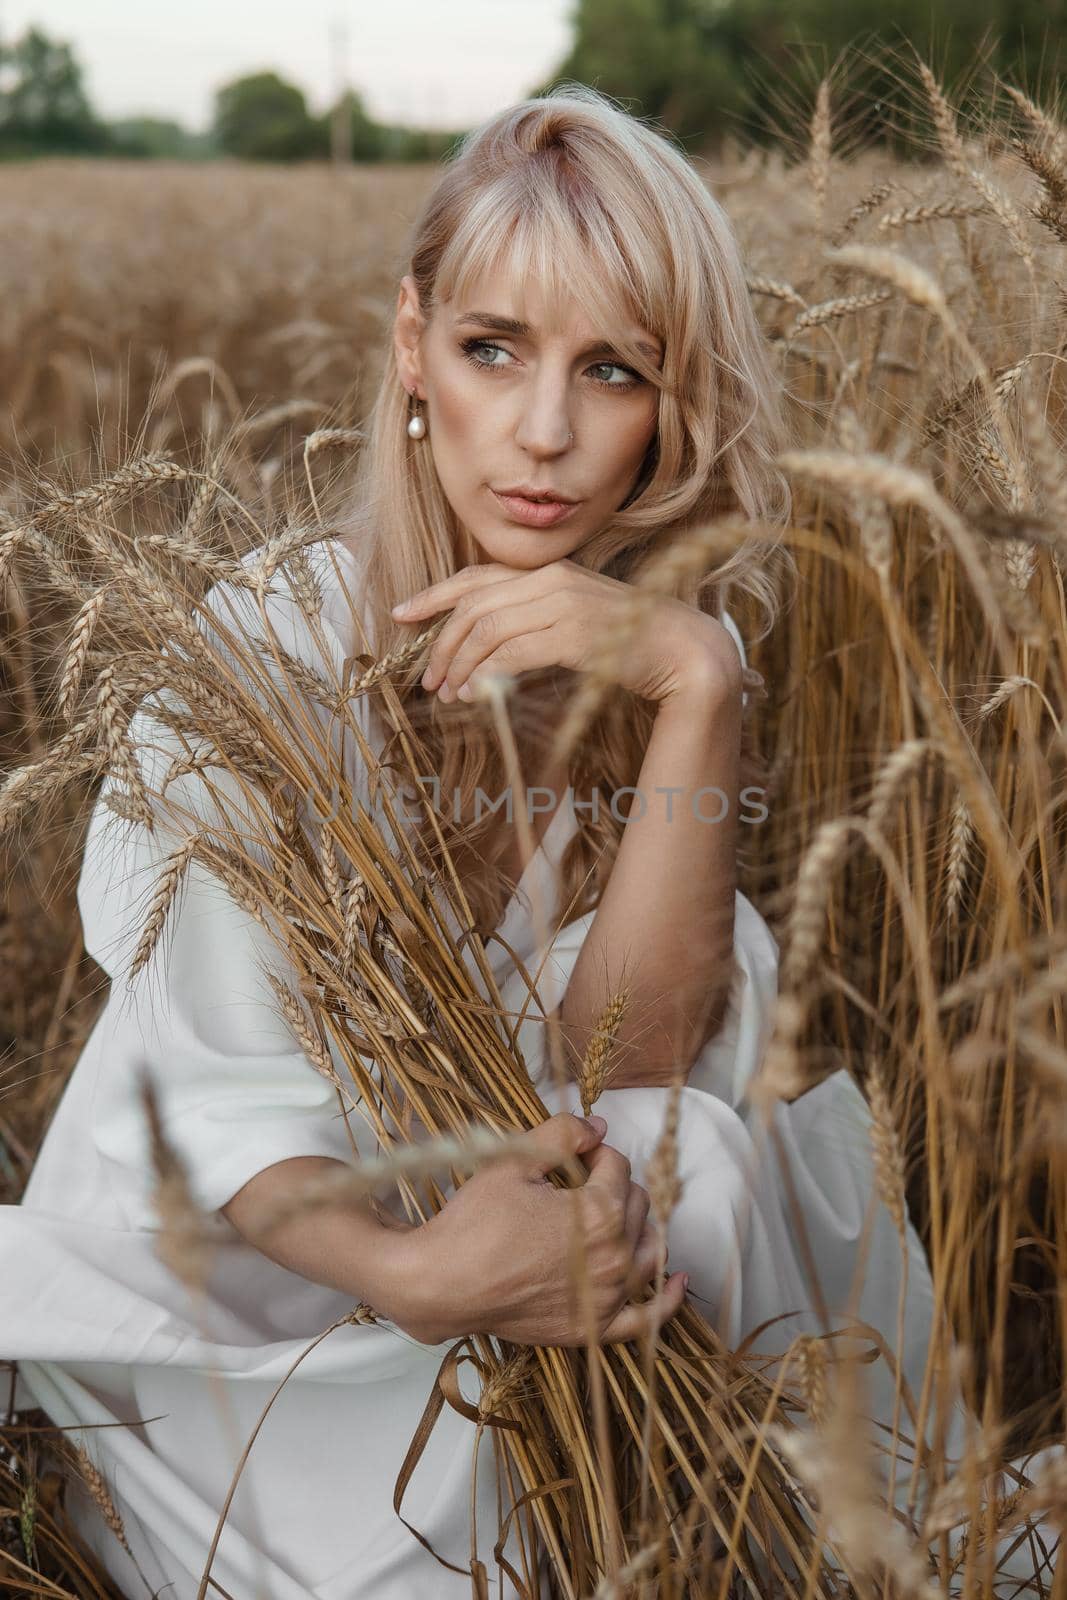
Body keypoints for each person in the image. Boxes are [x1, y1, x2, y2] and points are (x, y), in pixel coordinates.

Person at [0, 84, 1056, 1600]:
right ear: (413, 345)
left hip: (546, 1262)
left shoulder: (646, 668)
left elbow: (625, 1063)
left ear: (671, 409)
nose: (546, 433)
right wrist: (418, 1274)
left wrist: (697, 685)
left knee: (681, 1174)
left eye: (612, 369)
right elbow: (212, 1103)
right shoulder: (256, 666)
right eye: (496, 349)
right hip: (261, 1300)